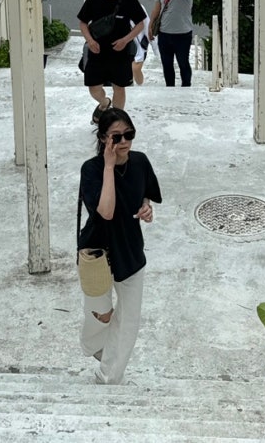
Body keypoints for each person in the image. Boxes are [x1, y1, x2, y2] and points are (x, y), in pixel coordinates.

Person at [78, 107, 162, 384]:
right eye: (116, 136)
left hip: (130, 250)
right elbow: (106, 211)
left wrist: (146, 207)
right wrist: (109, 167)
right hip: (97, 252)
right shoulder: (91, 169)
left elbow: (146, 193)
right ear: (103, 138)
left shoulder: (140, 161)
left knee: (128, 321)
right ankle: (94, 346)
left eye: (129, 134)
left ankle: (109, 376)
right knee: (101, 315)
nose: (124, 141)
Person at [77, 0, 147, 119]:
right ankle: (104, 103)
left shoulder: (128, 0)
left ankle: (116, 119)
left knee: (119, 87)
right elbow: (83, 22)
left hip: (120, 53)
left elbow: (140, 24)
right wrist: (90, 41)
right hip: (97, 51)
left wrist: (125, 40)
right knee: (94, 88)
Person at [147, 0, 193, 87]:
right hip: (164, 33)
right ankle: (169, 87)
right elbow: (157, 7)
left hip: (182, 34)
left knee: (183, 63)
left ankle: (186, 86)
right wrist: (150, 24)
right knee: (167, 64)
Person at [120, 0, 150, 85]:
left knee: (136, 68)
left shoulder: (140, 8)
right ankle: (129, 85)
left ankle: (140, 87)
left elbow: (147, 25)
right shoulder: (115, 8)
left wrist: (155, 46)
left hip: (139, 44)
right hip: (123, 44)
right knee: (125, 69)